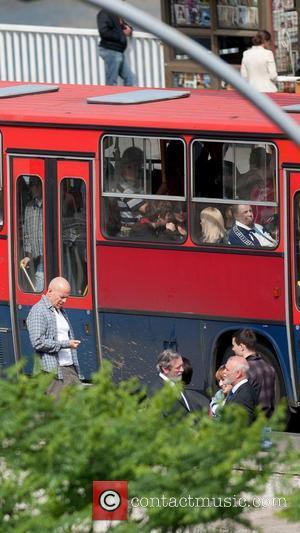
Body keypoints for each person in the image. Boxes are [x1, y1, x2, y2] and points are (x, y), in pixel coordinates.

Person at [26, 276, 83, 397]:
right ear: (50, 292)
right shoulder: (39, 311)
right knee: (57, 411)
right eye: (62, 297)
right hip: (53, 372)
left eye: (66, 298)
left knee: (80, 408)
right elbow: (37, 342)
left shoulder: (60, 310)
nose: (64, 301)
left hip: (69, 368)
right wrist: (66, 344)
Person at [232, 329, 275, 418]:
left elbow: (243, 400)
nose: (233, 349)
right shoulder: (269, 367)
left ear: (241, 346)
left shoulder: (245, 370)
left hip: (253, 423)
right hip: (268, 420)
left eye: (234, 345)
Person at [97, 3, 135, 86]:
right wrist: (122, 33)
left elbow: (124, 27)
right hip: (110, 50)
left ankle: (130, 97)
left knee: (130, 78)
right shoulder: (104, 13)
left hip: (119, 50)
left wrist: (130, 30)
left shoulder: (116, 13)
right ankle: (108, 98)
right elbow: (104, 32)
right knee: (111, 81)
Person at [20, 177, 44, 292]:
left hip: (49, 256)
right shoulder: (29, 207)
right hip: (36, 256)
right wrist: (27, 256)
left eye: (32, 186)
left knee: (40, 280)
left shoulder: (53, 203)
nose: (30, 190)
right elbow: (27, 234)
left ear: (40, 186)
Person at [150, 349, 190, 414]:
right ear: (165, 369)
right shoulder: (157, 392)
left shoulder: (176, 383)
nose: (182, 370)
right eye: (178, 367)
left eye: (182, 365)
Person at [115, 146, 146, 226]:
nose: (134, 171)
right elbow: (145, 209)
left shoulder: (136, 186)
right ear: (122, 169)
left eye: (137, 167)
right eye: (129, 167)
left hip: (140, 226)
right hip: (131, 230)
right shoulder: (124, 189)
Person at [223, 355, 259, 425]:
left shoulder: (244, 396)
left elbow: (243, 428)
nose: (224, 372)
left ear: (238, 373)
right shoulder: (237, 391)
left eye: (227, 370)